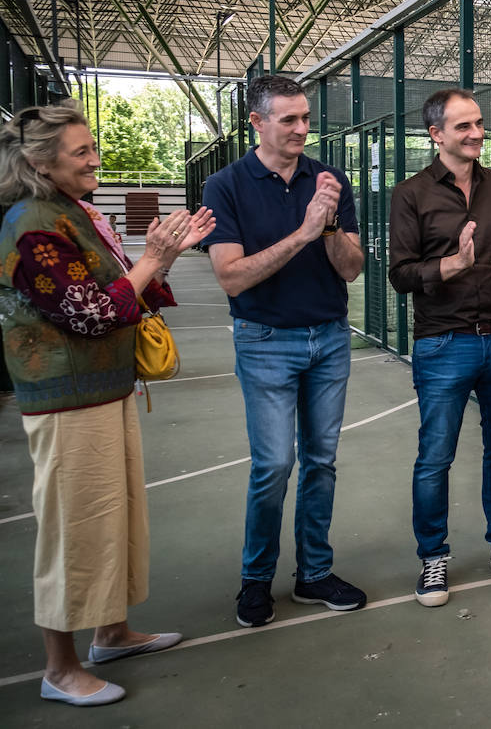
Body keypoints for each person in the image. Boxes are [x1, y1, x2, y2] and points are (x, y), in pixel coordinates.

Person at [0, 101, 213, 706]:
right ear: (40, 162)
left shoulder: (70, 212)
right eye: (82, 152)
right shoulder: (32, 223)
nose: (95, 159)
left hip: (105, 388)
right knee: (74, 528)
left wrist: (159, 256)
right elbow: (91, 311)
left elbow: (127, 288)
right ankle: (60, 668)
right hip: (67, 402)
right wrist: (152, 258)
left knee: (112, 516)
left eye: (92, 148)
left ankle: (112, 631)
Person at [200, 75, 366, 628]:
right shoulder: (226, 186)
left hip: (329, 337)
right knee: (273, 465)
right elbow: (231, 278)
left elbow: (352, 268)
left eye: (305, 117)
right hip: (265, 341)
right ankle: (256, 579)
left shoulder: (330, 179)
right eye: (288, 119)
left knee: (322, 461)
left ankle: (314, 573)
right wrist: (303, 230)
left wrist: (328, 228)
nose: (301, 128)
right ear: (257, 122)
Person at [388, 89, 491, 607]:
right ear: (436, 135)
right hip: (442, 343)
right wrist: (449, 266)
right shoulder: (410, 194)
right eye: (463, 126)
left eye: (478, 124)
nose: (476, 133)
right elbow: (400, 274)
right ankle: (433, 556)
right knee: (435, 457)